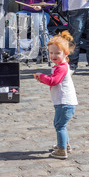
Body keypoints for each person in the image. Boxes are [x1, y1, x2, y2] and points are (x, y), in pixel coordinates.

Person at [33, 31, 77, 159]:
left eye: (57, 53)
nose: (53, 55)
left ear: (65, 53)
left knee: (59, 125)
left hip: (64, 102)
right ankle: (64, 144)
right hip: (62, 101)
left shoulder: (61, 67)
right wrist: (42, 78)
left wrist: (42, 76)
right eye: (51, 53)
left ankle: (62, 149)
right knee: (60, 125)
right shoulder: (60, 65)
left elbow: (54, 81)